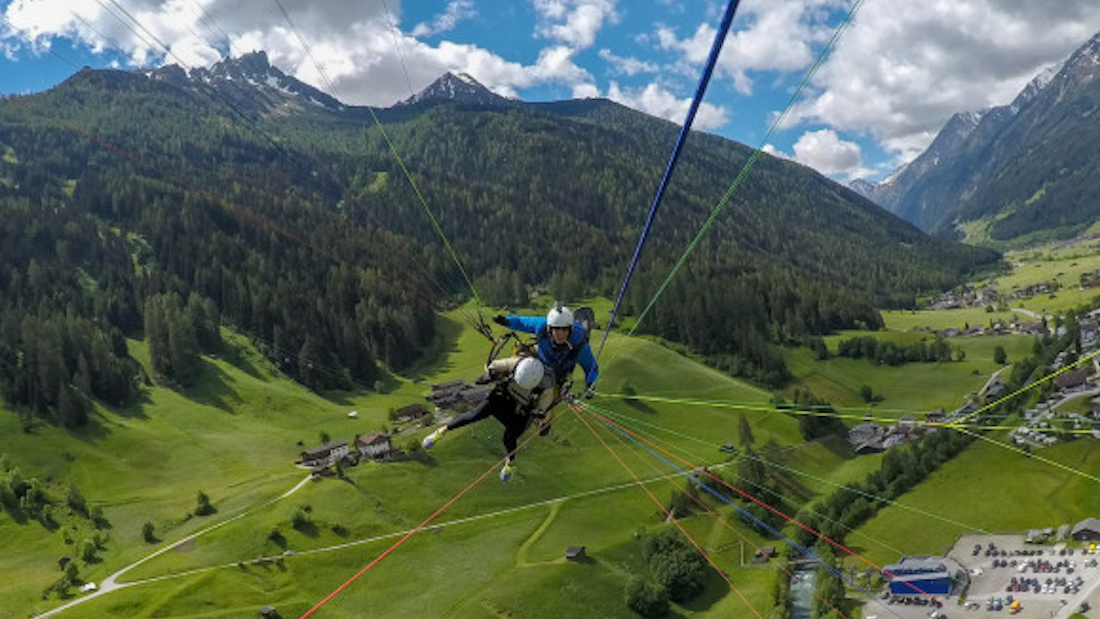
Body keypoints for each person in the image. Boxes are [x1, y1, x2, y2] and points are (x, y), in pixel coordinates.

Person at [421, 356, 547, 482]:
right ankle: (441, 432)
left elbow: (545, 407)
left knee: (509, 437)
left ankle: (510, 463)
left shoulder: (545, 386)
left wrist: (542, 421)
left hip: (519, 411)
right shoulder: (515, 363)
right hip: (502, 398)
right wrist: (490, 373)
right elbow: (495, 365)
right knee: (474, 415)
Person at [492, 302, 599, 431]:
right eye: (556, 329)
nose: (560, 334)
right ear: (549, 328)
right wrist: (507, 321)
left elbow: (591, 367)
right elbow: (522, 322)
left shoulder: (579, 345)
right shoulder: (541, 326)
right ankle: (491, 375)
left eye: (564, 329)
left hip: (558, 374)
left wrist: (590, 384)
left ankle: (544, 423)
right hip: (539, 361)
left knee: (546, 402)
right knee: (507, 366)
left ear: (570, 329)